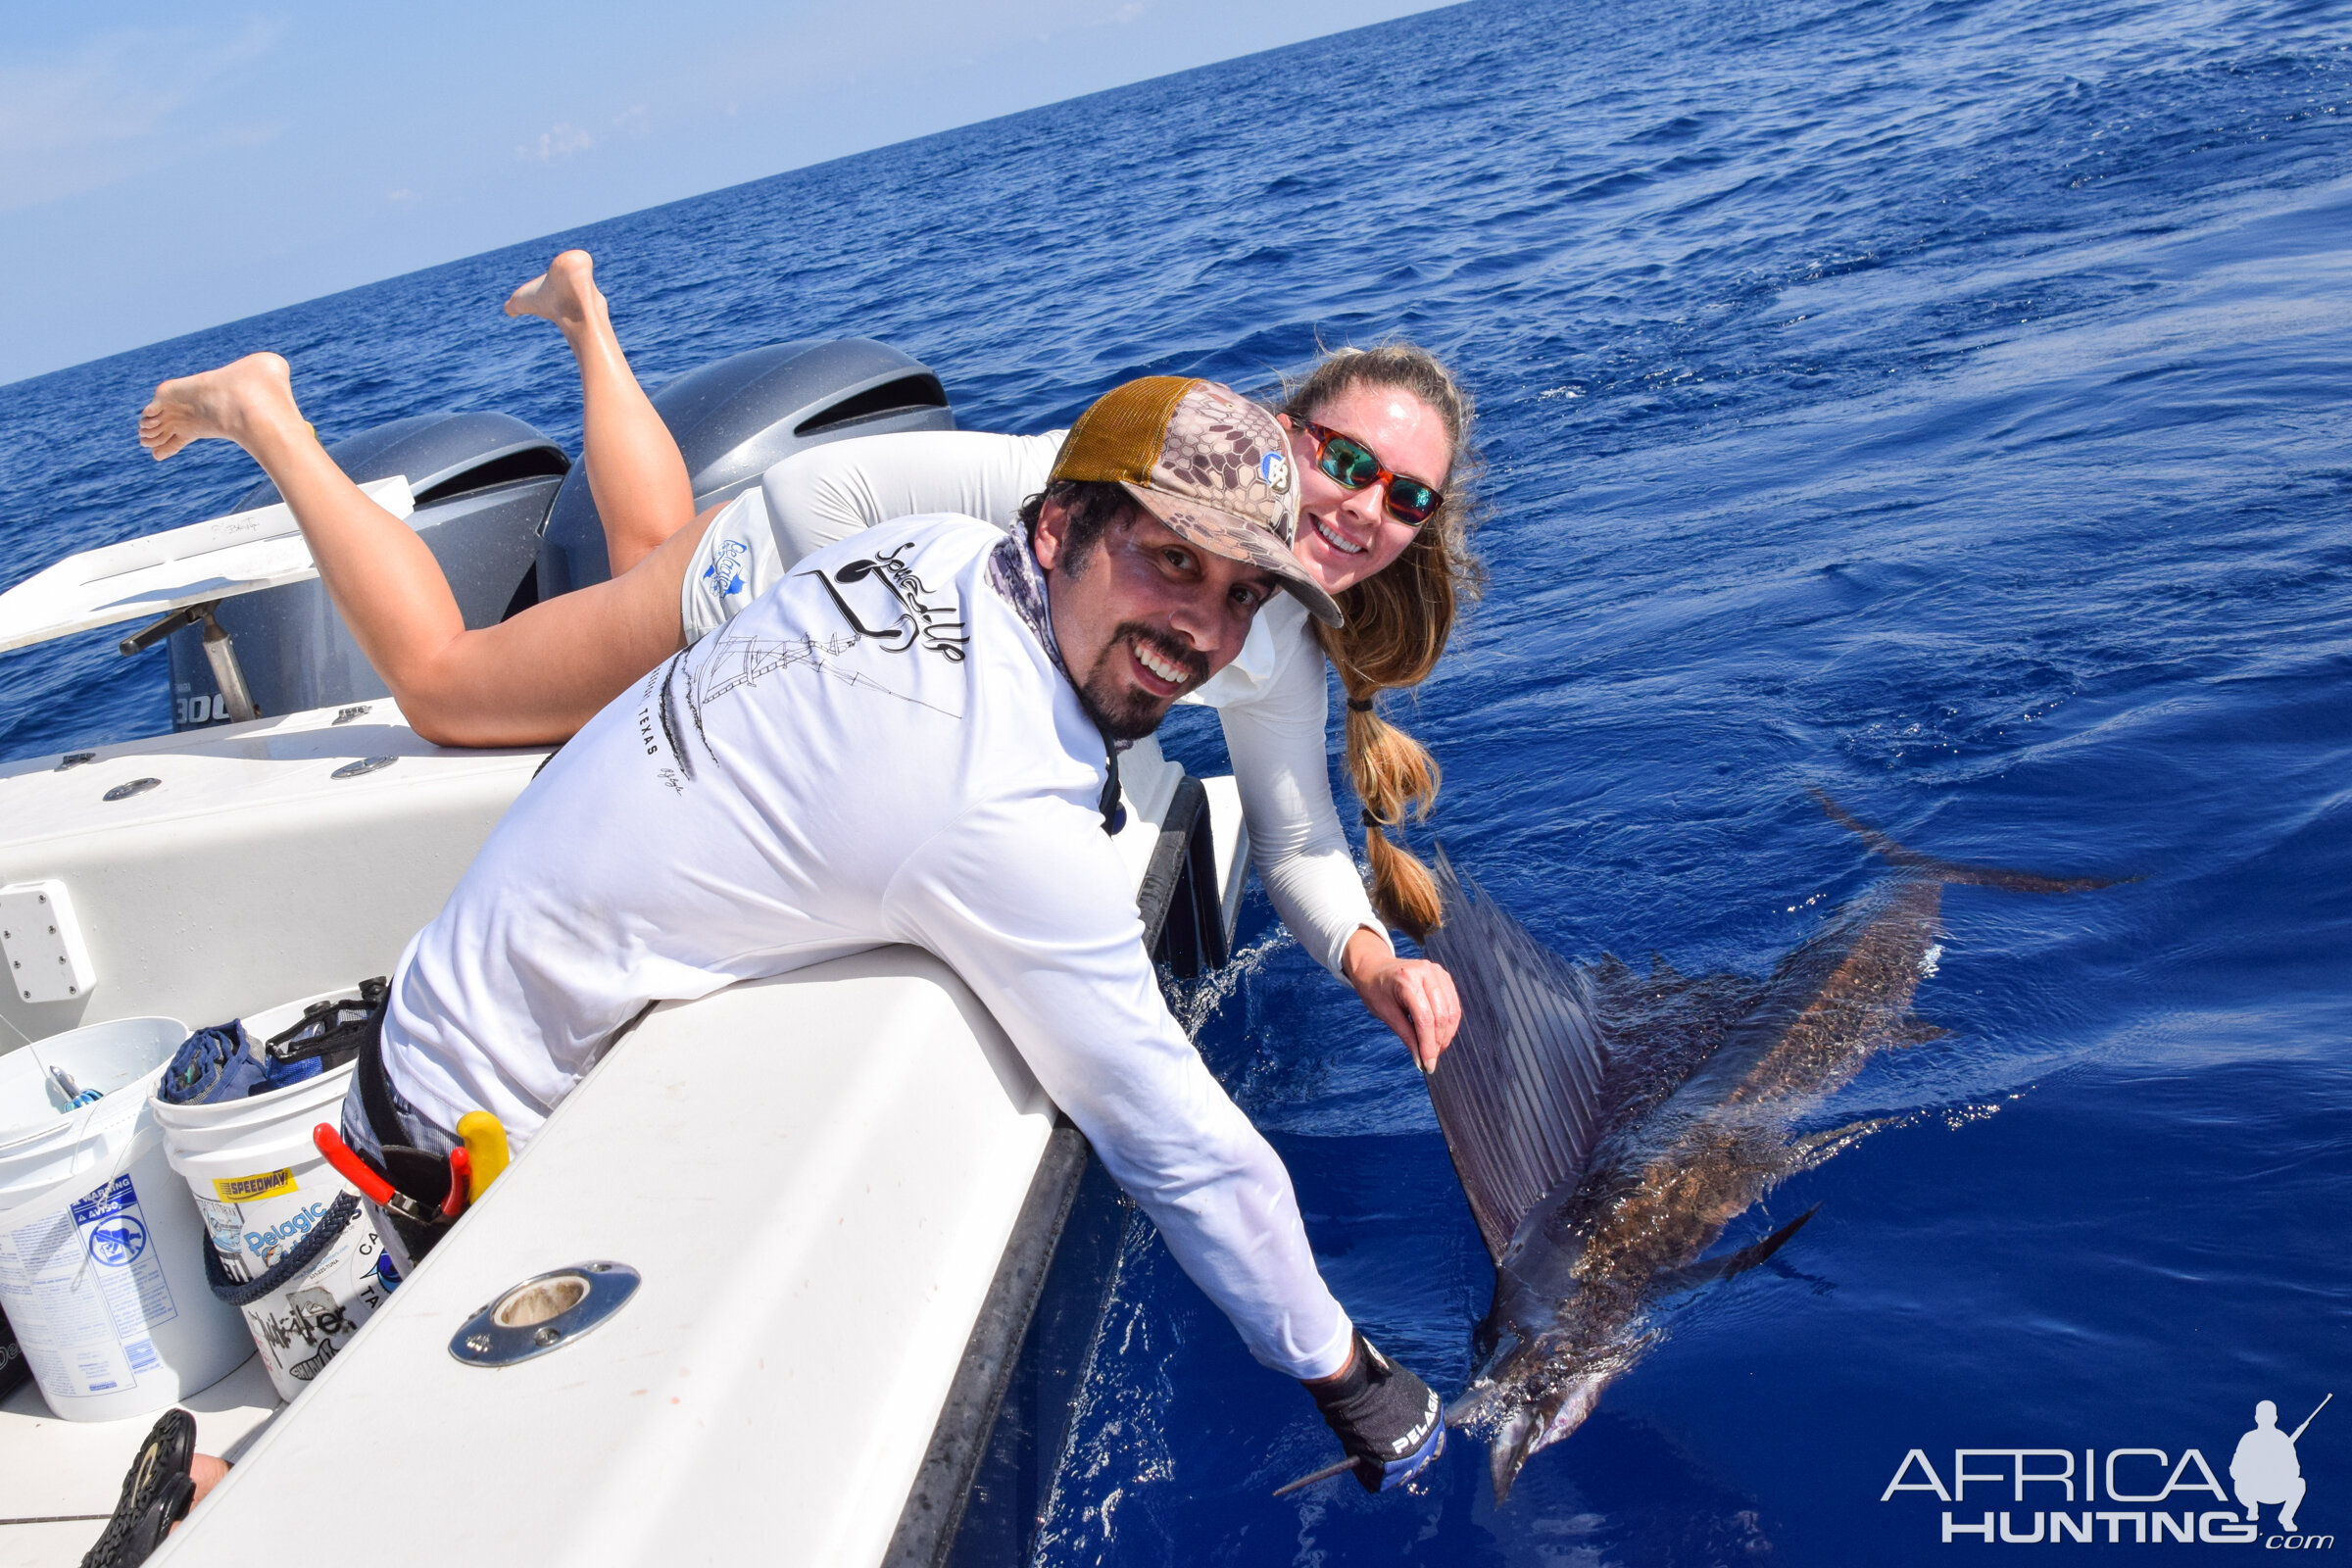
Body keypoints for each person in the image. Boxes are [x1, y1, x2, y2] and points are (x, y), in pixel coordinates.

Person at [89, 372, 1445, 1568]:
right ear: (1060, 526)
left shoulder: (939, 550)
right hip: (476, 1156)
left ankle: (220, 1484)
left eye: (1239, 595)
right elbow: (1183, 1145)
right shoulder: (980, 807)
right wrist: (1354, 1377)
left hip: (436, 1030)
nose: (1200, 632)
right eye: (1168, 563)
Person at [138, 251, 1480, 1069]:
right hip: (801, 548)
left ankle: (585, 317)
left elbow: (1301, 838)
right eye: (1345, 461)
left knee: (648, 538)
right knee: (443, 686)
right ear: (1288, 432)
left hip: (827, 551)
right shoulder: (1158, 468)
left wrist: (1375, 965)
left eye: (1404, 497)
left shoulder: (1288, 637)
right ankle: (267, 414)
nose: (1365, 507)